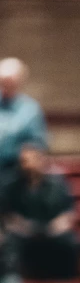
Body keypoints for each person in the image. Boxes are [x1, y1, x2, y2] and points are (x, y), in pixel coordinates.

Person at [3, 143, 79, 279]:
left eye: (29, 160)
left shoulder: (58, 184)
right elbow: (7, 216)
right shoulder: (11, 185)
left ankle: (66, 281)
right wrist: (22, 227)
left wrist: (56, 226)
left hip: (52, 230)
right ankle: (14, 280)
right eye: (23, 161)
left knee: (71, 242)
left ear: (42, 160)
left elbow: (68, 213)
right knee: (9, 243)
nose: (26, 165)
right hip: (23, 231)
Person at [0, 58, 47, 187]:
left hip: (16, 173)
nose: (5, 87)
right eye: (3, 82)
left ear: (19, 82)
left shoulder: (30, 110)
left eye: (10, 83)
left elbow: (37, 143)